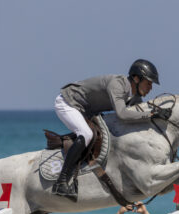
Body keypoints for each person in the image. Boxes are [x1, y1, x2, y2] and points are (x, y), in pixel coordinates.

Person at [52, 59, 170, 198]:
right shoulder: (117, 84)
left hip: (85, 110)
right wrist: (151, 115)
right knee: (86, 134)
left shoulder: (134, 96)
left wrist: (158, 115)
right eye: (148, 83)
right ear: (136, 78)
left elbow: (138, 114)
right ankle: (61, 182)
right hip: (68, 103)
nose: (151, 87)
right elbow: (122, 115)